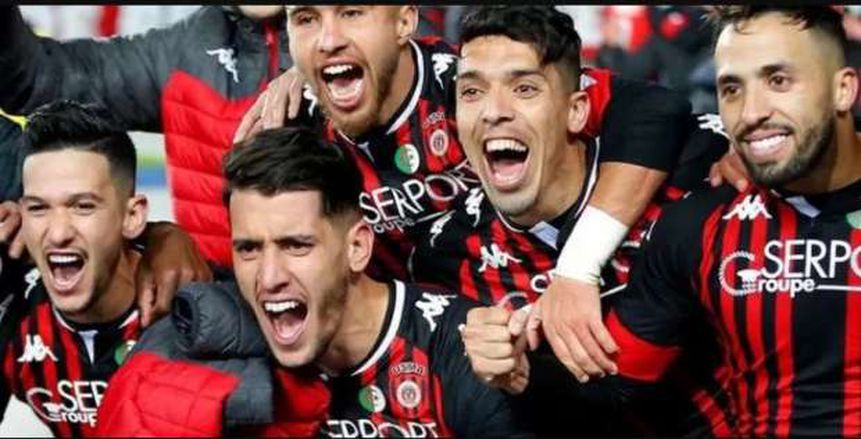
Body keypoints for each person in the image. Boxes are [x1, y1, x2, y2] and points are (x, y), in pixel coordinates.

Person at [236, 4, 701, 382]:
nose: (328, 39)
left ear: (405, 20)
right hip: (461, 340)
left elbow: (654, 111)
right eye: (306, 19)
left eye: (352, 13)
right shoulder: (294, 130)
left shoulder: (471, 81)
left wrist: (577, 267)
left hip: (594, 301)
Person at [468, 6, 861, 436]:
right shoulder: (699, 223)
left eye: (778, 81)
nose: (751, 112)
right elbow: (616, 389)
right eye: (731, 89)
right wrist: (519, 369)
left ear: (843, 89)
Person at [410, 6, 734, 436]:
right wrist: (508, 371)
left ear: (577, 110)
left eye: (524, 88)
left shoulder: (696, 167)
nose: (493, 111)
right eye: (472, 92)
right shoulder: (447, 258)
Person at [95, 125, 527, 437]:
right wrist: (162, 234)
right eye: (249, 249)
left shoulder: (463, 350)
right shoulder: (218, 338)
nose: (269, 277)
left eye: (296, 246)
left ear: (357, 247)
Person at [0, 5, 279, 323]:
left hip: (313, 329)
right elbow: (39, 78)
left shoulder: (320, 65)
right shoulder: (196, 43)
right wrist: (157, 237)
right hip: (216, 322)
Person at [0, 101, 150, 437]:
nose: (58, 233)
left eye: (83, 206)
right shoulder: (16, 317)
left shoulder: (189, 314)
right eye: (38, 208)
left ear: (133, 216)